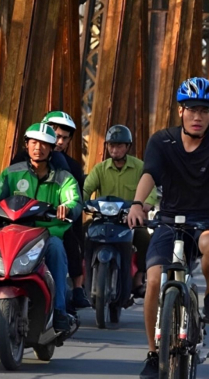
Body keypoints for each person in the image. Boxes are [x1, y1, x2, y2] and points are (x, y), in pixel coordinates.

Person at [126, 77, 209, 378]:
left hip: (206, 220)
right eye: (192, 109)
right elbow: (150, 173)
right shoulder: (162, 141)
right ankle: (153, 353)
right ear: (180, 111)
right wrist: (137, 204)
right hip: (170, 219)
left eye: (205, 110)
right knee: (153, 280)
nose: (198, 116)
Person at [0, 123, 82, 332]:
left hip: (46, 234)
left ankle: (59, 310)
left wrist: (67, 207)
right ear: (26, 145)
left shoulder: (63, 178)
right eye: (34, 143)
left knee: (57, 250)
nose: (38, 148)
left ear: (52, 148)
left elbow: (73, 199)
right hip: (13, 231)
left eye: (44, 144)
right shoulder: (11, 173)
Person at [82, 124, 158, 298]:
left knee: (144, 237)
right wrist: (80, 202)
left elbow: (151, 191)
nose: (114, 149)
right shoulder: (100, 169)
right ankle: (84, 277)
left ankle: (138, 280)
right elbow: (86, 189)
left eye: (119, 145)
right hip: (103, 219)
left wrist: (146, 204)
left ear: (128, 147)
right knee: (83, 233)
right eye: (111, 145)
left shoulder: (139, 167)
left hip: (129, 220)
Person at [44, 110, 90, 309]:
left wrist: (68, 209)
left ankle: (77, 288)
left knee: (73, 238)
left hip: (58, 218)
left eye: (65, 138)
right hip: (28, 217)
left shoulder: (71, 166)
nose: (60, 142)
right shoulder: (22, 160)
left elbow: (76, 197)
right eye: (56, 136)